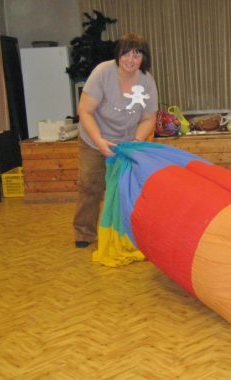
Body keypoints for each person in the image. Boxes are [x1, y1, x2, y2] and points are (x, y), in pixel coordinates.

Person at [73, 33, 158, 248]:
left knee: (123, 188)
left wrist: (136, 141)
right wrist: (99, 141)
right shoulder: (103, 72)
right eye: (126, 53)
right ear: (118, 54)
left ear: (143, 59)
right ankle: (84, 233)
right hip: (94, 139)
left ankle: (123, 232)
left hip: (126, 142)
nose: (130, 59)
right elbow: (85, 110)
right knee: (90, 185)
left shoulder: (147, 82)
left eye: (136, 55)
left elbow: (149, 118)